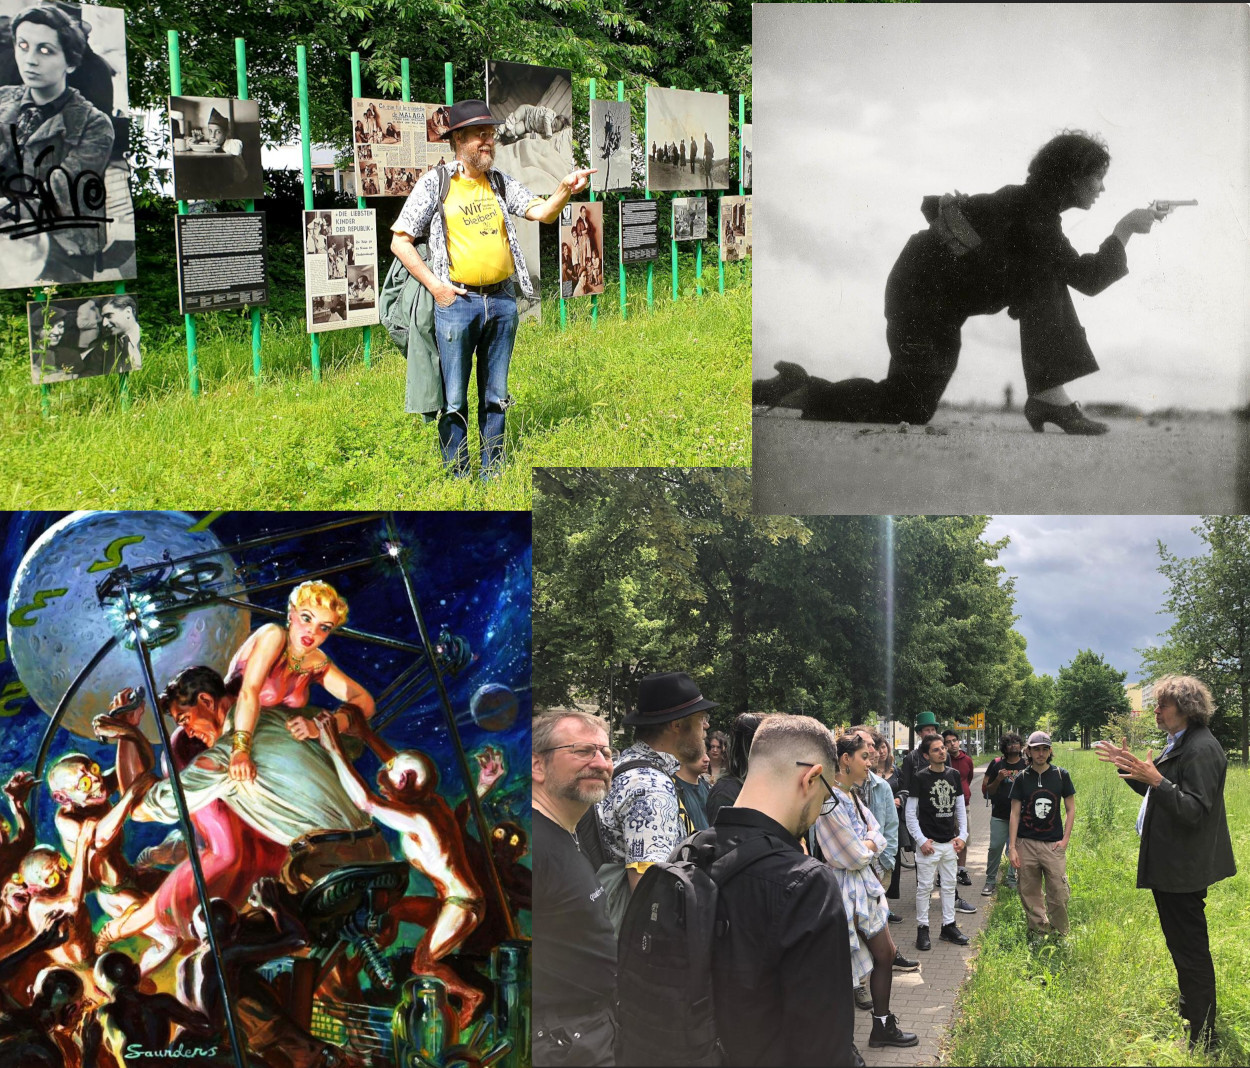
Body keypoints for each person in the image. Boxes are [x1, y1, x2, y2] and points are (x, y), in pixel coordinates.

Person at [753, 130, 1167, 434]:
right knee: (907, 406)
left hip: (932, 299)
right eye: (1097, 176)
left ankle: (797, 389)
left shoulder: (1031, 207)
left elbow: (941, 210)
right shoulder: (1033, 212)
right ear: (1072, 176)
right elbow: (1088, 279)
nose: (1102, 187)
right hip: (920, 299)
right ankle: (1048, 398)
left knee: (910, 405)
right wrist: (1125, 229)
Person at [94, 665, 389, 950]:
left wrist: (128, 734)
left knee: (225, 943)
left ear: (207, 701)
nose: (190, 733)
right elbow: (353, 743)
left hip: (336, 874)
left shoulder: (226, 758)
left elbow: (140, 809)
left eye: (184, 720)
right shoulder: (282, 718)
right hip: (380, 858)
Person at [389, 99, 596, 479]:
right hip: (456, 303)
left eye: (491, 134)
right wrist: (437, 288)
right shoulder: (435, 184)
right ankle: (457, 472)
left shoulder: (498, 180)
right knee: (453, 398)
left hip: (501, 301)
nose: (489, 141)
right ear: (459, 140)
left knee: (496, 394)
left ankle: (494, 469)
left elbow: (542, 212)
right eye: (480, 135)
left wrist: (565, 189)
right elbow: (399, 240)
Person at [1094, 676, 1235, 1052]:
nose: (1155, 711)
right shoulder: (1181, 743)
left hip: (1184, 871)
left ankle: (1204, 1038)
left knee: (1190, 950)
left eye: (1161, 705)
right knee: (1182, 946)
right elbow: (1150, 787)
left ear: (1185, 708)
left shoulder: (1202, 749)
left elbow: (1194, 809)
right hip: (1172, 866)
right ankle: (1194, 1016)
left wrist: (1158, 780)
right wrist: (1129, 768)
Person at [708, 714, 856, 1067]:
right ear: (811, 777)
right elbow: (825, 1045)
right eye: (827, 797)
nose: (821, 810)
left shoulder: (687, 854)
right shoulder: (806, 883)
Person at [814, 731, 919, 1050]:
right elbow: (852, 855)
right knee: (846, 966)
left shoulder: (851, 795)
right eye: (863, 756)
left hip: (863, 886)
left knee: (882, 955)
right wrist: (869, 845)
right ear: (845, 760)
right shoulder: (830, 802)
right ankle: (838, 1042)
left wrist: (869, 844)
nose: (869, 761)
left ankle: (880, 1027)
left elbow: (878, 833)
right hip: (846, 891)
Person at [0, 4, 114, 284]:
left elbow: (61, 190)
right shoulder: (3, 98)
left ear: (71, 62)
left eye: (45, 50)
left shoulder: (94, 124)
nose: (29, 60)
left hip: (64, 247)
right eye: (23, 45)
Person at [223, 579, 375, 783]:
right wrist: (240, 750)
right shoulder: (273, 635)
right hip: (236, 728)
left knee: (350, 745)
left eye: (324, 627)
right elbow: (248, 692)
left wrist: (321, 726)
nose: (312, 631)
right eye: (306, 618)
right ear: (290, 614)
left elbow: (364, 701)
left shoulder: (317, 661)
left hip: (275, 738)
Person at [595, 670, 712, 931]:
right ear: (677, 725)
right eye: (701, 718)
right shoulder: (650, 787)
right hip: (636, 946)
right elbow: (651, 892)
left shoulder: (626, 765)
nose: (706, 727)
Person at [531, 711, 617, 1067]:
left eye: (606, 753)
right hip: (558, 1040)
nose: (599, 763)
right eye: (582, 751)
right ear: (537, 766)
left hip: (586, 1030)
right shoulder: (532, 846)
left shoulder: (567, 832)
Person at [1008, 731, 1075, 940]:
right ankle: (1039, 930)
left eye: (1045, 749)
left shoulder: (1060, 775)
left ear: (1050, 751)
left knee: (1058, 890)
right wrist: (1012, 847)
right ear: (1028, 751)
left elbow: (1071, 809)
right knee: (1029, 891)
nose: (1040, 753)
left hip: (1053, 845)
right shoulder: (1021, 778)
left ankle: (1060, 932)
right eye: (1036, 749)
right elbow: (1014, 813)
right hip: (1026, 843)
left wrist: (1065, 840)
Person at [905, 735, 970, 951]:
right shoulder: (920, 778)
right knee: (924, 888)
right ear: (926, 755)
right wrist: (921, 841)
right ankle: (922, 930)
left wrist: (962, 836)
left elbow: (959, 808)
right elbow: (910, 814)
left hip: (949, 843)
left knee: (949, 886)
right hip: (928, 845)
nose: (942, 752)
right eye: (936, 750)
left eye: (943, 748)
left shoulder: (954, 775)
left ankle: (948, 926)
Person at [980, 732, 1026, 895]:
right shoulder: (997, 764)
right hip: (999, 814)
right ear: (1004, 747)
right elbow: (988, 791)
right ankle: (990, 881)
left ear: (1021, 746)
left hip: (1021, 816)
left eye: (1016, 742)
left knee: (1017, 849)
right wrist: (998, 779)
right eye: (1009, 743)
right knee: (995, 847)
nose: (1013, 745)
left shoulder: (1026, 764)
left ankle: (1012, 879)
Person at [705, 712, 762, 823]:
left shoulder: (763, 787)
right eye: (712, 747)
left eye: (718, 747)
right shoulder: (724, 793)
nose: (715, 750)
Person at [943, 729, 975, 886]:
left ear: (959, 741)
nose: (952, 744)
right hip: (944, 807)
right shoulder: (942, 760)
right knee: (945, 840)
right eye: (948, 742)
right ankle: (943, 874)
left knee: (963, 837)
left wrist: (965, 793)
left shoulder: (967, 760)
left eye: (954, 740)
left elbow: (968, 779)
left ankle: (961, 870)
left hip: (964, 805)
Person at [674, 746, 711, 830]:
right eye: (699, 754)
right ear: (682, 756)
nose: (707, 759)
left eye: (706, 753)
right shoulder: (672, 788)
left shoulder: (707, 786)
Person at [101, 295, 141, 370]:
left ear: (128, 312)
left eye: (109, 316)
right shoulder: (104, 345)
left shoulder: (152, 339)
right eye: (103, 318)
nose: (104, 323)